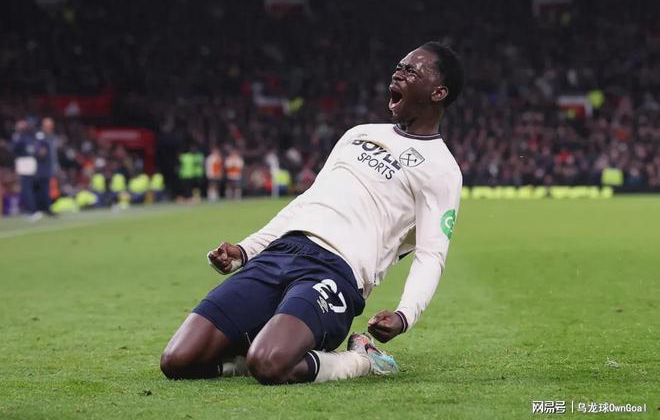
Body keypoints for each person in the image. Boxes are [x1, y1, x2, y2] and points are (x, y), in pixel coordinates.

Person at [160, 42, 464, 385]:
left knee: (270, 364)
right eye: (399, 67)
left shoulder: (442, 169)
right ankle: (246, 358)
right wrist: (246, 250)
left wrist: (405, 315)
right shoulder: (359, 134)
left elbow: (430, 254)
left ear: (438, 92)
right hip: (281, 253)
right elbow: (307, 201)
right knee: (178, 361)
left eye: (411, 71)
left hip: (336, 271)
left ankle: (361, 359)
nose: (398, 74)